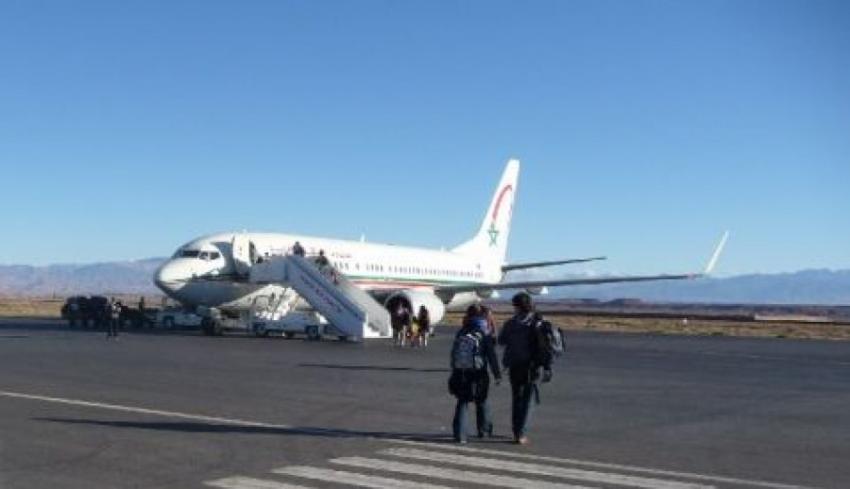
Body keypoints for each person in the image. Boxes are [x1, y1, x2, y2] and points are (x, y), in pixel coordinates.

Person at [498, 292, 552, 445]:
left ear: (517, 306)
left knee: (517, 398)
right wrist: (546, 367)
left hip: (515, 365)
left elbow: (501, 341)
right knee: (528, 400)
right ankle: (521, 432)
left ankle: (517, 431)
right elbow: (546, 346)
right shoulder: (538, 322)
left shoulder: (511, 323)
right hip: (532, 366)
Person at [449, 304, 502, 443]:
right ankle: (484, 430)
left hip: (461, 372)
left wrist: (454, 371)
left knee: (462, 402)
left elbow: (454, 354)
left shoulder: (462, 331)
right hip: (479, 372)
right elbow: (491, 356)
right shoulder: (483, 333)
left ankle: (460, 434)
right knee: (482, 400)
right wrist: (497, 374)